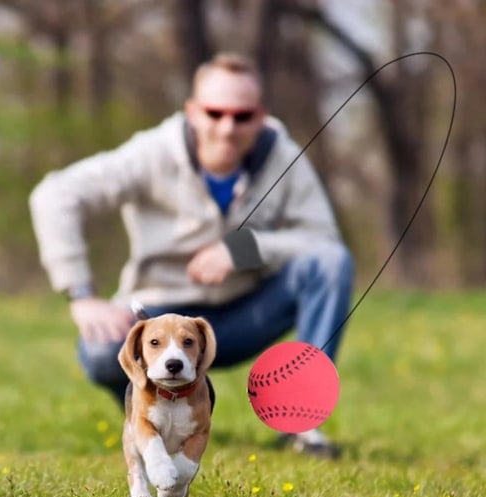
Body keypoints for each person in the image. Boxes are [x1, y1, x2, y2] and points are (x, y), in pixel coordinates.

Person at [29, 52, 354, 458]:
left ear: (261, 115)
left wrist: (243, 249)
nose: (227, 127)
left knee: (330, 264)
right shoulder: (152, 152)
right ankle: (149, 416)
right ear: (193, 112)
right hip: (159, 313)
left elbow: (324, 240)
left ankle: (303, 425)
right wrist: (81, 294)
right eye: (215, 113)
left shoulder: (283, 156)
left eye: (242, 116)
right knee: (98, 352)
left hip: (245, 315)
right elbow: (55, 194)